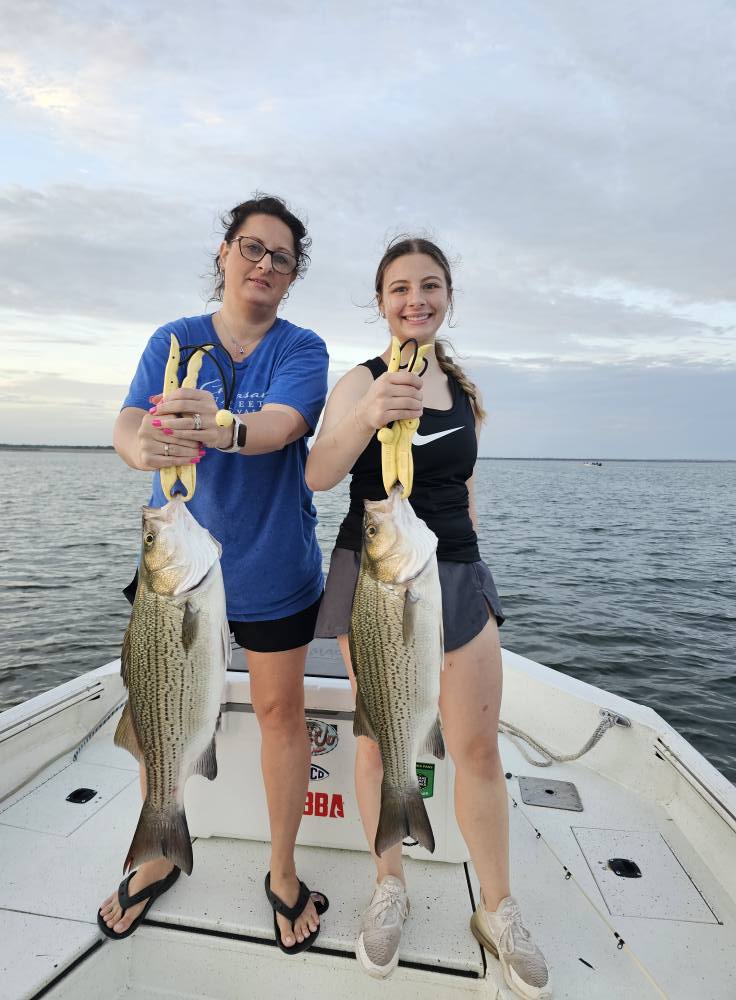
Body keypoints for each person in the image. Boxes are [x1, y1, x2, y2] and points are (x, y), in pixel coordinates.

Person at [305, 237, 551, 998]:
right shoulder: (360, 379)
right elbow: (318, 472)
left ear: (448, 296)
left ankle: (498, 908)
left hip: (454, 571)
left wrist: (470, 561)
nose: (415, 299)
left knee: (475, 749)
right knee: (380, 736)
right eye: (400, 288)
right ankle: (390, 885)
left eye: (430, 286)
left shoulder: (465, 391)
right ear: (380, 302)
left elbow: (466, 488)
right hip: (375, 573)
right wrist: (371, 411)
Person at [98, 194, 330, 954]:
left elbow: (286, 425)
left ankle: (284, 871)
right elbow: (130, 421)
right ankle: (158, 844)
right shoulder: (175, 339)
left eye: (281, 258)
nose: (264, 265)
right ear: (226, 252)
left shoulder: (302, 348)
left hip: (270, 565)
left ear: (293, 277)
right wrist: (142, 449)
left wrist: (224, 426)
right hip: (174, 571)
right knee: (158, 706)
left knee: (278, 715)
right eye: (252, 248)